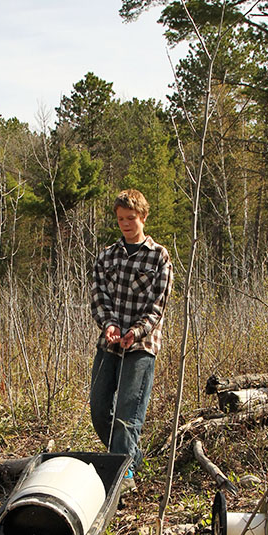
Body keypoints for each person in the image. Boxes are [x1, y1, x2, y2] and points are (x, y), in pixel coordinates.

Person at [90, 189, 173, 490]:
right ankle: (130, 459)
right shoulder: (107, 256)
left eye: (131, 218)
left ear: (143, 217)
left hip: (142, 345)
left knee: (128, 413)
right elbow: (98, 296)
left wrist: (135, 331)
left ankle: (122, 478)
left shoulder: (158, 256)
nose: (125, 224)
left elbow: (157, 306)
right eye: (121, 219)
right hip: (109, 344)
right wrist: (109, 326)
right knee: (99, 410)